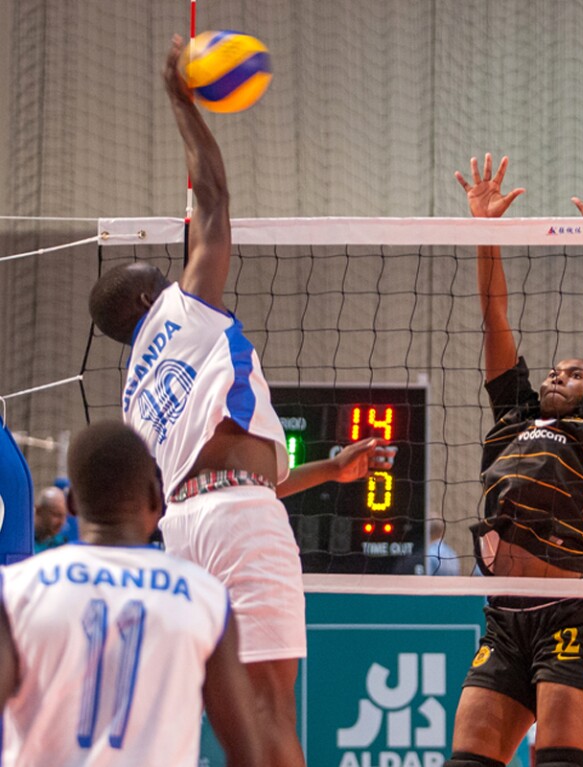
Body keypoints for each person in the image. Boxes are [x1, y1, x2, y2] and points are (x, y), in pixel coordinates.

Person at [88, 36, 392, 767]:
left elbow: (230, 473)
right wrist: (183, 105)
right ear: (141, 298)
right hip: (236, 519)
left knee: (223, 717)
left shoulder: (136, 393)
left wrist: (331, 468)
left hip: (187, 533)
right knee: (267, 713)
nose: (171, 267)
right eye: (155, 269)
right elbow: (215, 201)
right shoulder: (181, 310)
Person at [446, 155, 583, 767]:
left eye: (575, 373)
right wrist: (486, 233)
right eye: (555, 369)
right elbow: (493, 317)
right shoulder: (514, 416)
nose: (561, 372)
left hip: (568, 614)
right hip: (504, 618)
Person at [0, 421, 261, 766]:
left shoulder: (17, 590)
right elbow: (248, 752)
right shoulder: (205, 598)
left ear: (74, 504)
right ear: (156, 499)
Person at [32, 485, 68, 553]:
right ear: (39, 511)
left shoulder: (61, 544)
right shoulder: (23, 541)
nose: (62, 522)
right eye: (56, 515)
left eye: (64, 516)